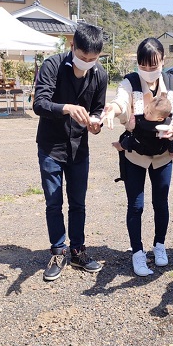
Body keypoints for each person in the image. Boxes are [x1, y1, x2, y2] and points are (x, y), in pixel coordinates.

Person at [101, 37, 173, 277]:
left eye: (154, 66)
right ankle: (138, 253)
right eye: (144, 66)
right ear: (138, 64)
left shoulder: (172, 85)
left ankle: (159, 245)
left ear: (163, 61)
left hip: (163, 154)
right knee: (136, 205)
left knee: (161, 202)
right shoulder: (130, 83)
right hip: (135, 154)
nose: (149, 71)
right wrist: (113, 108)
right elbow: (121, 101)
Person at [33, 22, 108, 282]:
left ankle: (77, 250)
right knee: (54, 202)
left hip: (79, 148)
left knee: (78, 203)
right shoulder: (52, 65)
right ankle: (57, 251)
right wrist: (65, 107)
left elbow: (98, 110)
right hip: (50, 146)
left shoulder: (100, 74)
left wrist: (96, 124)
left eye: (93, 59)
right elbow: (39, 104)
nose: (87, 63)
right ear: (72, 46)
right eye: (82, 57)